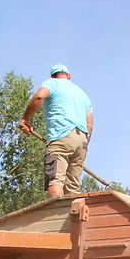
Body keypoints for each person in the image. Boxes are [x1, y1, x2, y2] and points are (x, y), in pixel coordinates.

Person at [19, 64, 93, 198]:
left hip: (61, 137)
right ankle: (73, 219)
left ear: (52, 76)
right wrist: (84, 145)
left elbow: (39, 97)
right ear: (69, 76)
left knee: (56, 182)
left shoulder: (52, 83)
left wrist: (25, 119)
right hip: (82, 142)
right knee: (73, 189)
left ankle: (55, 218)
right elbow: (90, 126)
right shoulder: (83, 95)